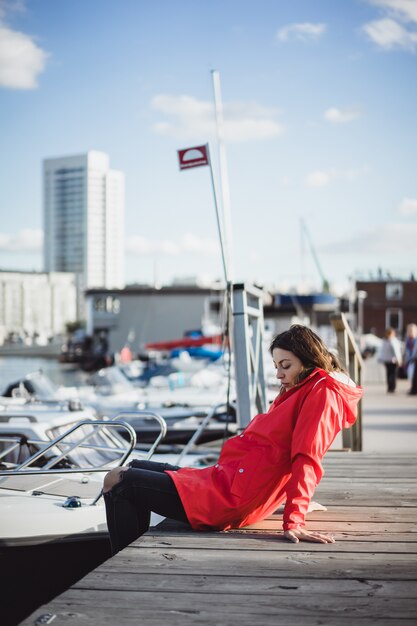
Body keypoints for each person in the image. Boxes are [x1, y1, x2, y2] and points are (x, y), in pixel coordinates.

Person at [103, 325, 363, 554]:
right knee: (136, 466)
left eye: (286, 366)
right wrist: (291, 502)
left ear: (309, 362)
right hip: (226, 481)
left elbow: (307, 457)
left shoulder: (322, 393)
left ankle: (121, 559)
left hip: (228, 498)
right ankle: (133, 550)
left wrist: (295, 518)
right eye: (276, 367)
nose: (279, 375)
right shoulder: (303, 390)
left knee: (117, 480)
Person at [378, 328, 403, 393]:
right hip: (393, 360)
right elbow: (396, 351)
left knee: (388, 374)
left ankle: (389, 387)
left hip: (386, 360)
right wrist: (398, 359)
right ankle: (393, 388)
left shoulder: (384, 341)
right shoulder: (393, 340)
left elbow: (381, 351)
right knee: (393, 374)